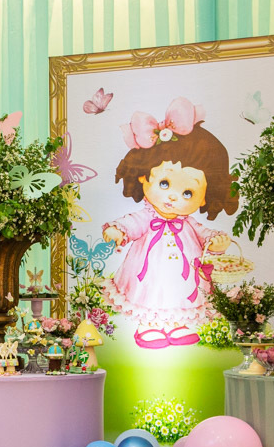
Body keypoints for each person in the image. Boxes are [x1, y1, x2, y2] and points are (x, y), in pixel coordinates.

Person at [101, 97, 237, 349]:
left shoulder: (189, 223)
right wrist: (118, 231)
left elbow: (205, 234)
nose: (173, 197)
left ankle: (177, 325)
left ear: (205, 196)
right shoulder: (148, 217)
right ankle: (149, 326)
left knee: (181, 293)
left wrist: (216, 241)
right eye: (164, 184)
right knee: (150, 291)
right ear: (143, 176)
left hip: (184, 274)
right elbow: (133, 223)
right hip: (148, 270)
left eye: (188, 193)